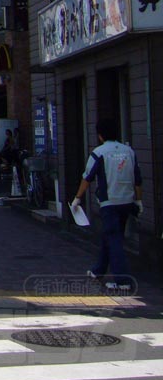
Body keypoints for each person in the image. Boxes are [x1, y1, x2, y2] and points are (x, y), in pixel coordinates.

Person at [71, 118, 143, 290]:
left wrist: (77, 198)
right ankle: (98, 271)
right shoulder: (129, 151)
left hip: (109, 203)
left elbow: (87, 177)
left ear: (100, 135)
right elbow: (138, 179)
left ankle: (122, 281)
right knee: (109, 236)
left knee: (114, 239)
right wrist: (139, 200)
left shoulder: (99, 152)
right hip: (127, 201)